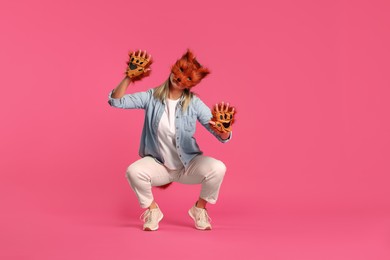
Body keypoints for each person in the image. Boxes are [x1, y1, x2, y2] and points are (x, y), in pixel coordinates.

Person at [108, 49, 235, 231]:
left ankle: (199, 209)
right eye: (181, 71)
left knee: (218, 167)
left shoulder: (195, 104)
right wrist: (129, 77)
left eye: (189, 78)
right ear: (174, 68)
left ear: (192, 84)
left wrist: (225, 130)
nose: (181, 78)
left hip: (188, 166)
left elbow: (220, 134)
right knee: (133, 171)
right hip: (160, 166)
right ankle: (153, 211)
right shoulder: (151, 97)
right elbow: (116, 101)